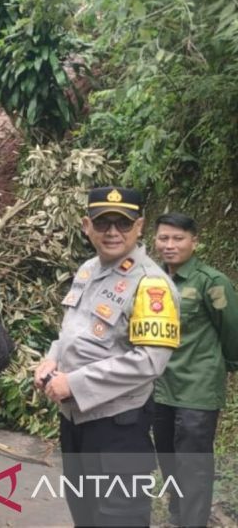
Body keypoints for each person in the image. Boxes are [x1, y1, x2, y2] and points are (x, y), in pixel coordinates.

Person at [33, 187, 180, 527]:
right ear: (87, 225)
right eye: (103, 223)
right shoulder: (88, 270)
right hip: (75, 423)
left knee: (118, 518)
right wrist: (52, 359)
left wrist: (75, 383)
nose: (112, 232)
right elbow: (73, 330)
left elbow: (149, 362)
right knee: (83, 513)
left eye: (123, 223)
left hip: (117, 429)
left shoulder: (150, 285)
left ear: (139, 226)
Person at [152, 212, 238, 527]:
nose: (170, 245)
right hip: (161, 385)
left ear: (195, 242)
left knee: (193, 462)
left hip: (197, 386)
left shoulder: (212, 282)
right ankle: (177, 513)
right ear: (155, 240)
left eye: (178, 238)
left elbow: (231, 330)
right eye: (164, 238)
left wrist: (226, 367)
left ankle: (193, 522)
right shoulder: (152, 280)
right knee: (167, 455)